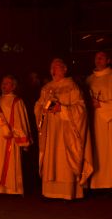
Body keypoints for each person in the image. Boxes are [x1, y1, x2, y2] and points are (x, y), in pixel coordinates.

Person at [35, 58, 93, 200]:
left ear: (65, 69)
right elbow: (38, 106)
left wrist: (62, 109)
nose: (53, 70)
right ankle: (50, 191)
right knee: (51, 158)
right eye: (51, 67)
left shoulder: (72, 86)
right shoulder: (46, 88)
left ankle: (68, 192)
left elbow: (81, 109)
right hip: (50, 130)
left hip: (66, 130)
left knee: (64, 160)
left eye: (57, 67)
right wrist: (43, 110)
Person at [0, 74, 31, 195]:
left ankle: (9, 189)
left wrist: (17, 134)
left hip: (9, 137)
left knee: (8, 163)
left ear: (13, 86)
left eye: (7, 83)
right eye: (3, 83)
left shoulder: (17, 101)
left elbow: (21, 120)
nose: (4, 85)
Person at [86, 51, 112, 190]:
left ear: (108, 60)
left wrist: (101, 105)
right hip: (93, 120)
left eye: (102, 58)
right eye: (96, 58)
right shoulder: (89, 79)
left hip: (108, 121)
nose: (98, 60)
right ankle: (96, 183)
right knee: (95, 151)